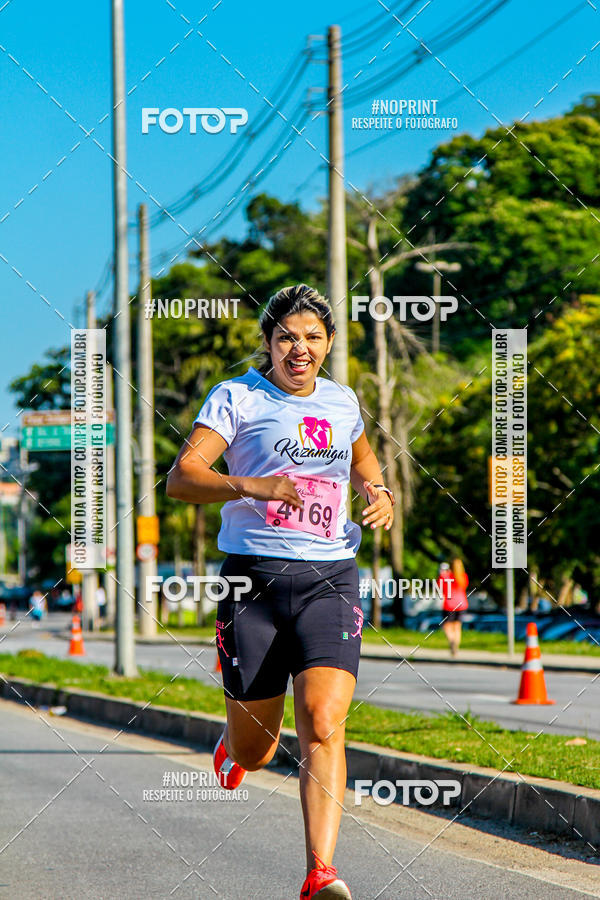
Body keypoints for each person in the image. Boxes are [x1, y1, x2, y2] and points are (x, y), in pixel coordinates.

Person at [167, 284, 395, 900]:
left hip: (331, 577)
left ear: (327, 345)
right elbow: (182, 479)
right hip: (253, 582)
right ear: (268, 343)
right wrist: (252, 487)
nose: (300, 349)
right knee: (259, 750)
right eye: (287, 337)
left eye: (313, 338)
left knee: (323, 724)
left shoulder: (343, 402)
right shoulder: (237, 397)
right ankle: (233, 744)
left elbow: (364, 461)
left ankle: (320, 870)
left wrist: (380, 496)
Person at [437, 558, 469, 656]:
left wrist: (442, 574)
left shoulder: (446, 577)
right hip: (462, 603)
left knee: (446, 625)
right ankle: (456, 647)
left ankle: (452, 641)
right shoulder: (463, 577)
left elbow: (439, 588)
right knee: (457, 626)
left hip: (450, 604)